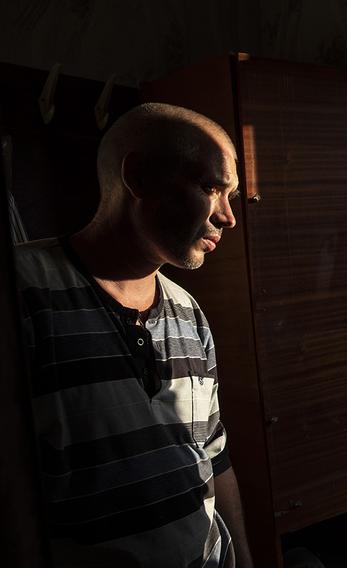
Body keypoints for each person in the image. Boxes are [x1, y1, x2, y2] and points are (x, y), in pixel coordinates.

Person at [14, 103, 253, 567]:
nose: (228, 217)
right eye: (211, 188)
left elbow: (213, 455)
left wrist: (244, 556)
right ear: (139, 177)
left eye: (233, 196)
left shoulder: (189, 311)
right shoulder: (23, 294)